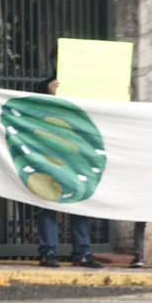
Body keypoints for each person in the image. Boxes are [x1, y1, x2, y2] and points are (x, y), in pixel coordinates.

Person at [33, 71, 103, 269]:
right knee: (48, 202)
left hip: (77, 153)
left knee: (79, 203)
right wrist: (50, 95)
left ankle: (82, 253)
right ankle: (48, 252)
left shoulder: (89, 87)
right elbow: (36, 114)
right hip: (51, 153)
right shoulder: (43, 86)